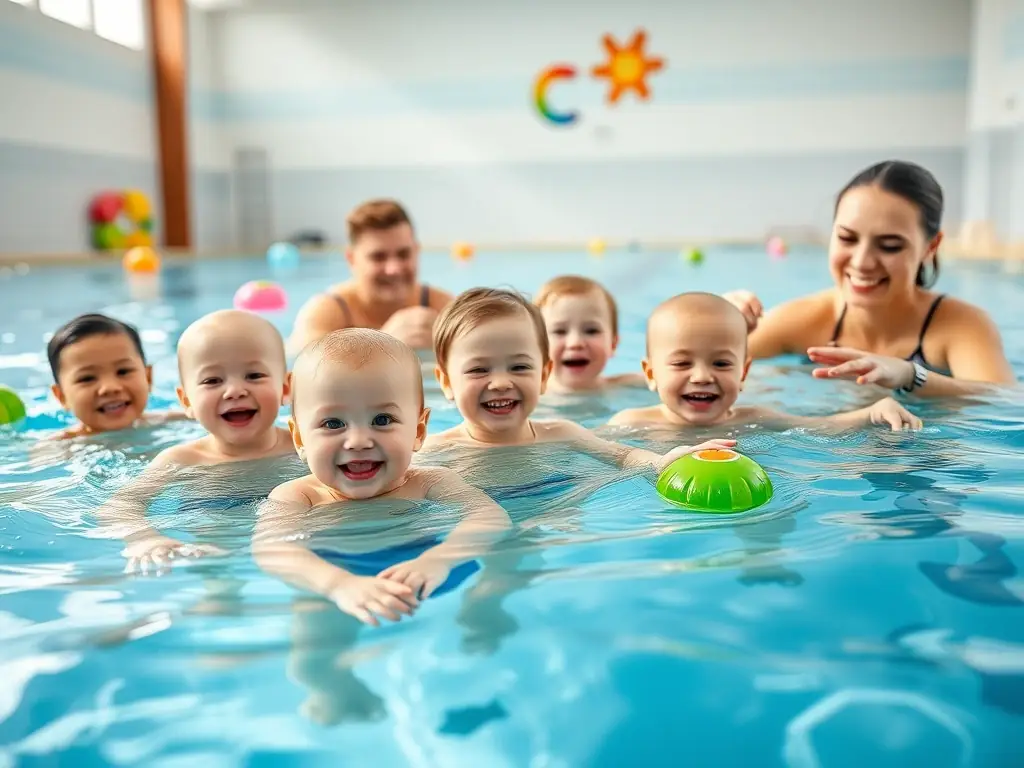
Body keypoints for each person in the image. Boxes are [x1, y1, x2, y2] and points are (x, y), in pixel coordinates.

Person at [254, 328, 512, 627]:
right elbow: (272, 550)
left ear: (418, 431)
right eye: (333, 423)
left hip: (426, 571)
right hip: (330, 576)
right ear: (299, 438)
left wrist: (440, 559)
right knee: (312, 656)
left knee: (492, 587)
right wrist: (337, 585)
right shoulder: (300, 497)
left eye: (382, 420)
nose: (359, 441)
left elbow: (490, 518)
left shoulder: (429, 482)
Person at [727, 161, 1015, 397]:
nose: (862, 262)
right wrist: (716, 322)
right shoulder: (805, 320)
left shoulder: (961, 326)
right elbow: (693, 366)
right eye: (846, 238)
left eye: (889, 246)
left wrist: (910, 375)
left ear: (930, 247)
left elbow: (1003, 405)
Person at [423, 287, 736, 465]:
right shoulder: (434, 453)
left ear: (545, 374)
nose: (502, 382)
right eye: (479, 369)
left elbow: (625, 457)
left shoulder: (563, 434)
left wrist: (665, 460)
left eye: (520, 367)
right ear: (446, 382)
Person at [98, 309, 296, 574]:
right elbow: (119, 506)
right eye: (212, 380)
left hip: (290, 547)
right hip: (211, 548)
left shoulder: (303, 448)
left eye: (254, 375)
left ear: (285, 388)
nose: (236, 390)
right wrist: (145, 539)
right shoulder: (182, 461)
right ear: (187, 401)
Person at [608, 292, 922, 431]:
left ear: (744, 372)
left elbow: (821, 427)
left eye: (721, 364)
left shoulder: (753, 420)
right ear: (650, 374)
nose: (702, 376)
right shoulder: (630, 424)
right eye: (681, 364)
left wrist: (873, 411)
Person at [287, 199, 453, 354]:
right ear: (352, 259)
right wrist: (381, 344)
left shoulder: (440, 307)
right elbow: (298, 359)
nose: (393, 269)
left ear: (416, 251)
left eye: (404, 254)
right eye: (378, 257)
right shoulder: (329, 311)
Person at [46, 313, 186, 439]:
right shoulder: (58, 448)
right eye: (87, 378)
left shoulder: (181, 421)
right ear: (61, 396)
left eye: (123, 371)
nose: (110, 388)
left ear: (147, 377)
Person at [533, 275, 644, 392]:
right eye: (559, 331)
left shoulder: (627, 387)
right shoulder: (530, 396)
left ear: (613, 344)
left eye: (591, 331)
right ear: (537, 346)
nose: (575, 342)